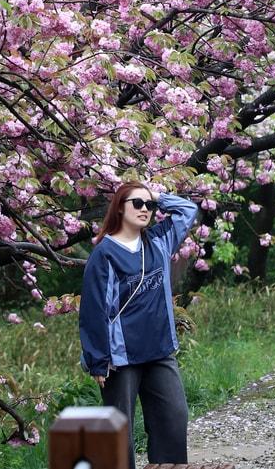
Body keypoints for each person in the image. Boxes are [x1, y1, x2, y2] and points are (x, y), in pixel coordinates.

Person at [79, 182, 199, 469]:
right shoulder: (104, 254)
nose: (145, 209)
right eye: (137, 203)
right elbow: (94, 310)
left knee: (174, 417)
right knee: (119, 431)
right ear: (120, 207)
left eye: (149, 205)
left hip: (159, 351)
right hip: (120, 358)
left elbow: (188, 210)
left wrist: (155, 195)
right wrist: (98, 360)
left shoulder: (159, 241)